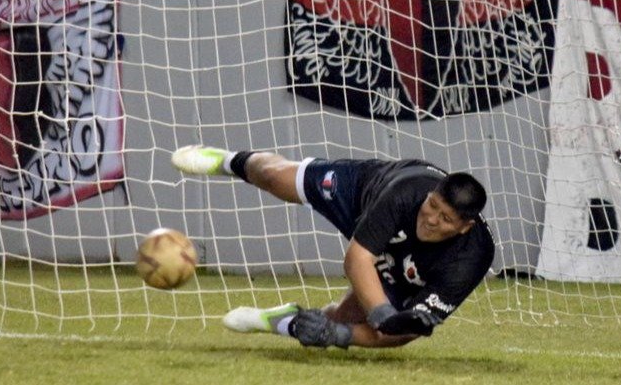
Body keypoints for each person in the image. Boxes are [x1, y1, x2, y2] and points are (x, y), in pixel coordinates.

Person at [171, 145, 495, 349]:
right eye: (432, 205)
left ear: (465, 226)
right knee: (273, 175)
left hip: (402, 266)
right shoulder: (407, 191)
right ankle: (228, 161)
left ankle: (281, 321)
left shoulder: (472, 257)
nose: (432, 219)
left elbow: (408, 332)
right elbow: (357, 259)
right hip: (361, 194)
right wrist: (382, 315)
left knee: (344, 321)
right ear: (430, 194)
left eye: (446, 218)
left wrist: (338, 335)